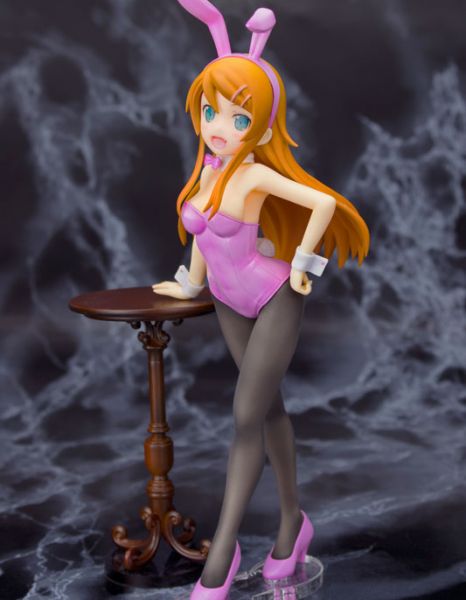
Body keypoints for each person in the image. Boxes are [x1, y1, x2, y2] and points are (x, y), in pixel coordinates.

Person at [152, 2, 370, 598]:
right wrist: (190, 284)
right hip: (228, 300)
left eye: (237, 117)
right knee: (268, 410)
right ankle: (292, 525)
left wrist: (302, 264)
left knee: (246, 415)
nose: (218, 126)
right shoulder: (206, 172)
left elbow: (321, 203)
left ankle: (222, 555)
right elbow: (202, 237)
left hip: (272, 295)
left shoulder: (251, 176)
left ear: (263, 130)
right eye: (210, 111)